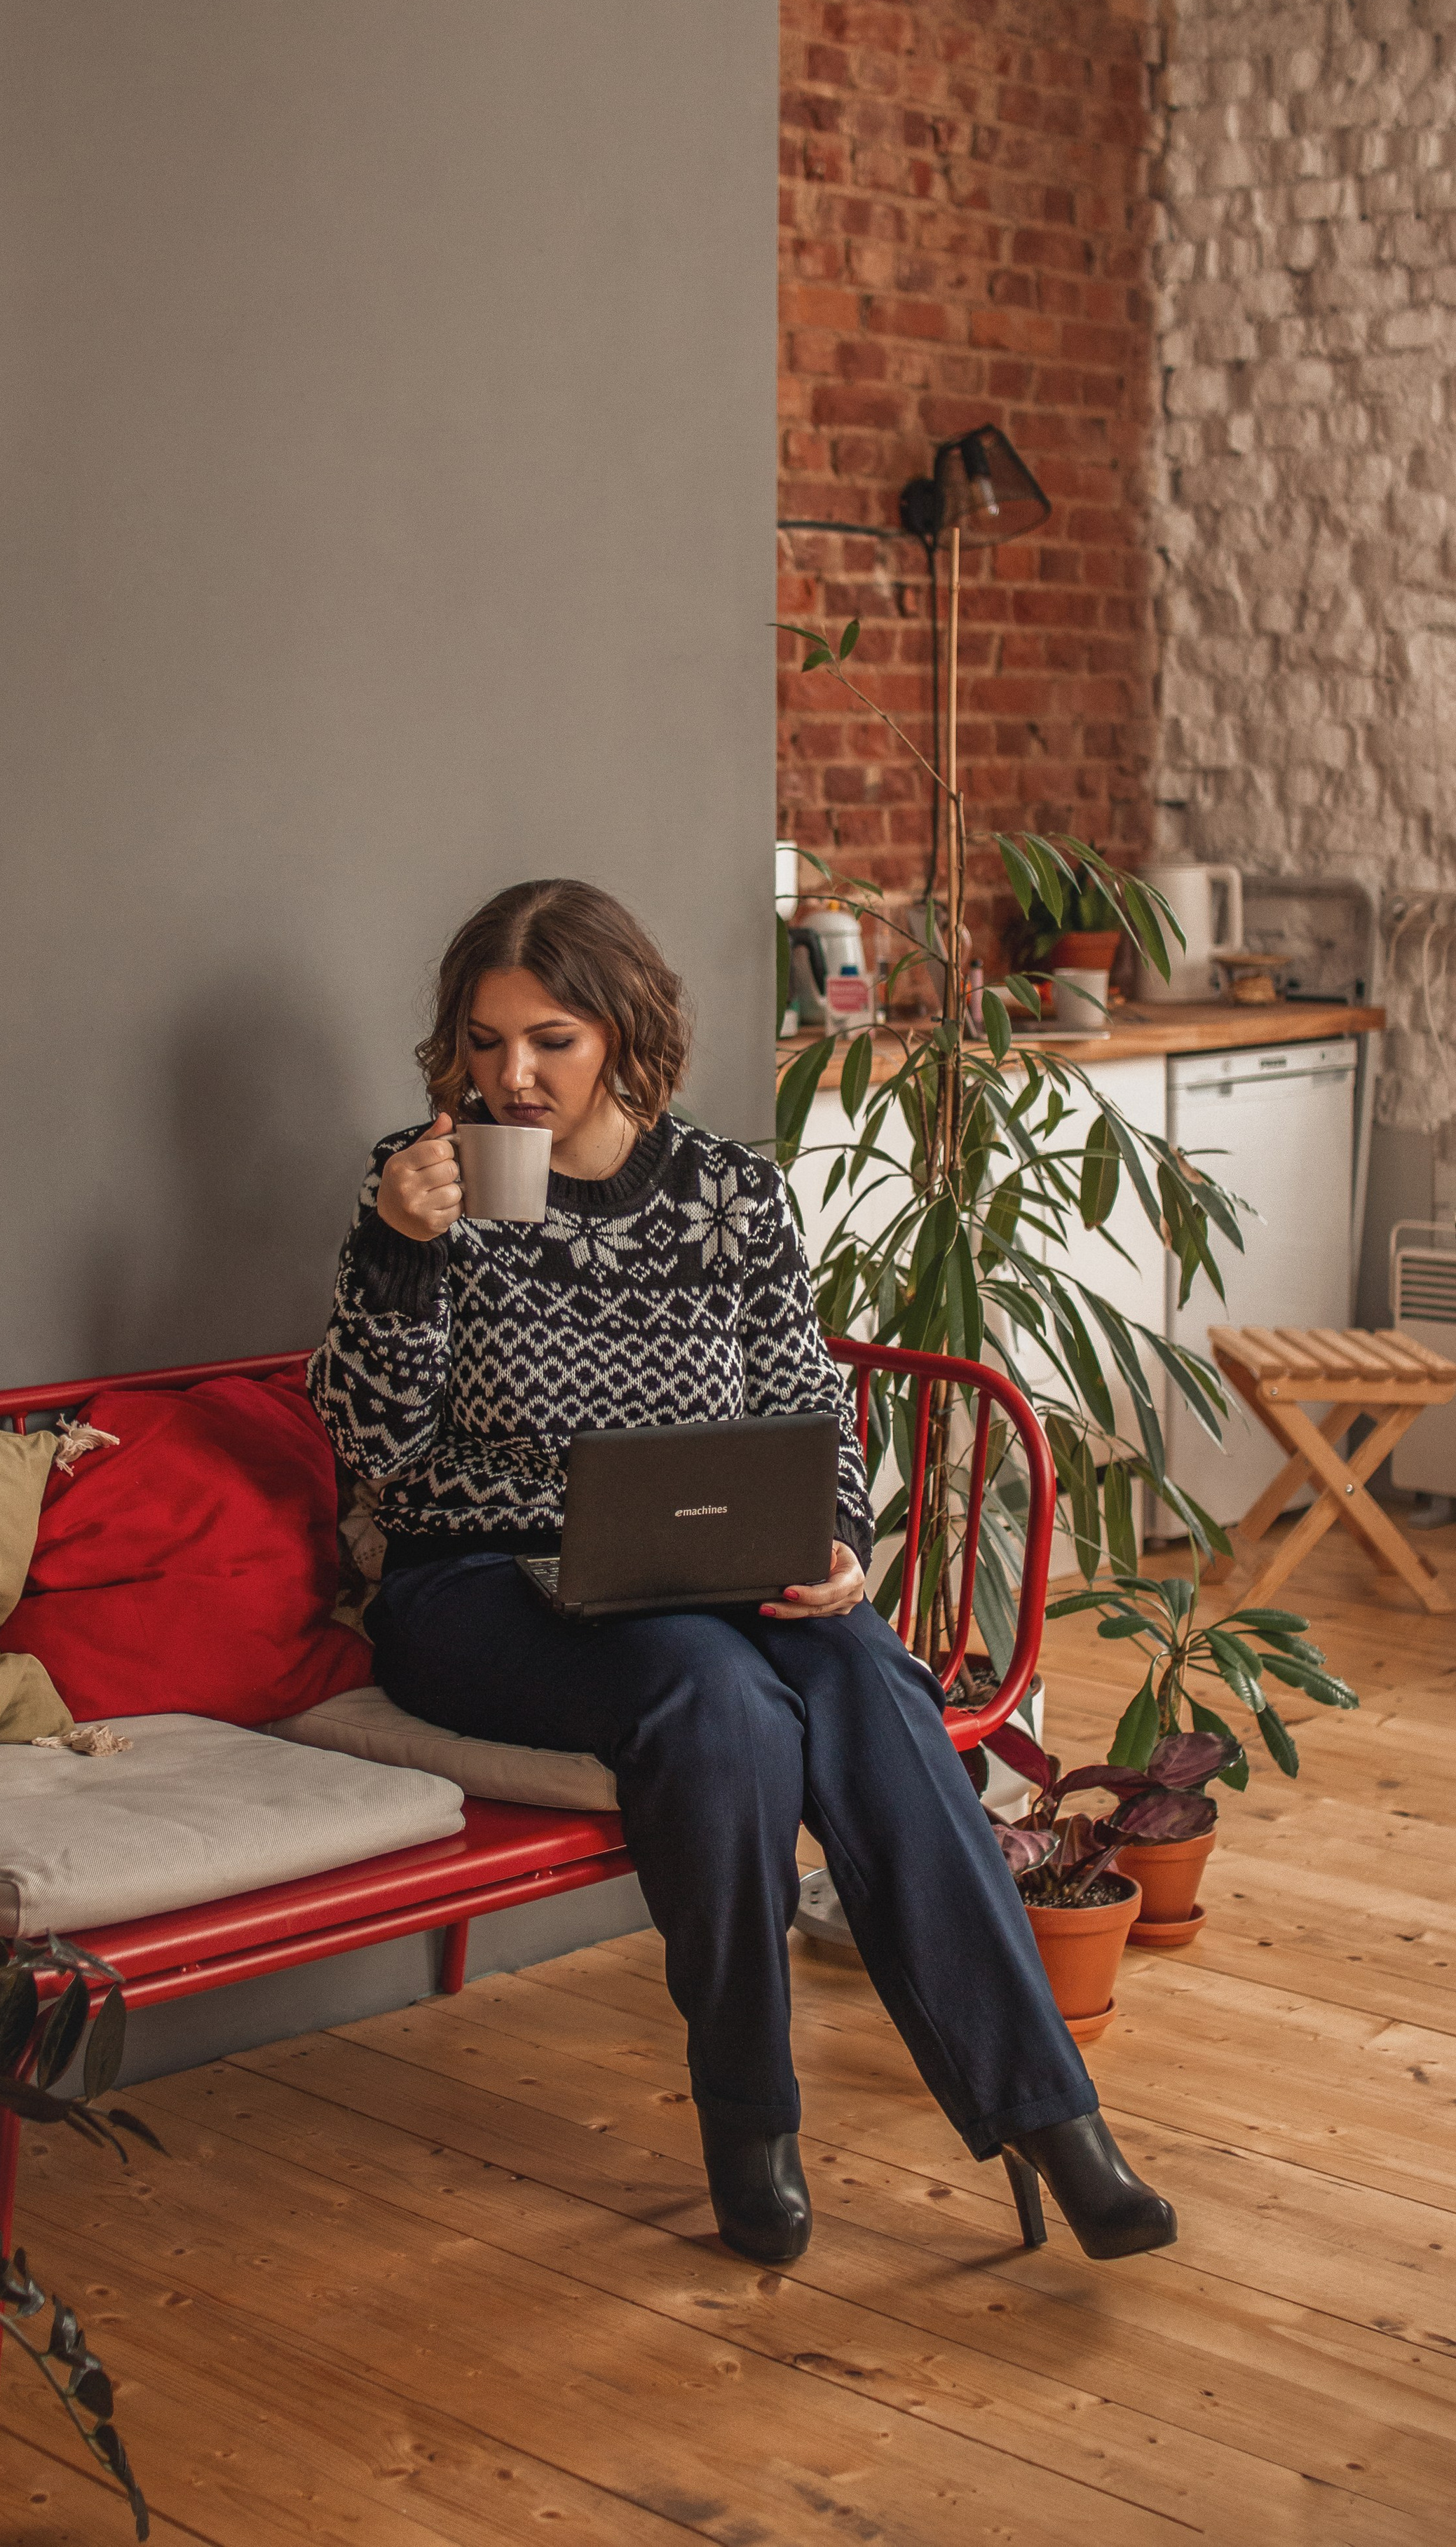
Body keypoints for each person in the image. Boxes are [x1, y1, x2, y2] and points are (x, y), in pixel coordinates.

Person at [308, 878, 1174, 2266]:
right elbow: (368, 1440)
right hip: (468, 1587)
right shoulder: (426, 1190)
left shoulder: (728, 1195)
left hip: (691, 1573)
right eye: (481, 1043)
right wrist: (394, 1253)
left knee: (860, 1670)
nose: (507, 1076)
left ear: (619, 1035)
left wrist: (831, 1540)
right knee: (717, 1697)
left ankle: (1049, 2119)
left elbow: (805, 1406)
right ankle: (748, 2119)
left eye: (546, 1040)